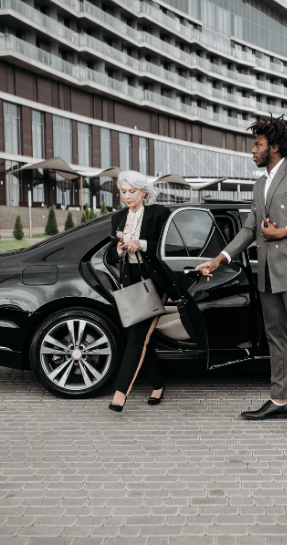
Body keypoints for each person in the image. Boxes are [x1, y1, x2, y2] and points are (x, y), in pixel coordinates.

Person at [196, 114, 287, 435]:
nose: (252, 150)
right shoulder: (260, 184)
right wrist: (219, 259)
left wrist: (283, 231)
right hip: (268, 272)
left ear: (273, 147)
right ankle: (280, 401)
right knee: (277, 338)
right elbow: (249, 230)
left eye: (257, 145)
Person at [107, 171, 171, 412]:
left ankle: (120, 393)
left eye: (132, 191)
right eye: (123, 192)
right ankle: (158, 384)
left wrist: (140, 244)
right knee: (143, 336)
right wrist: (120, 249)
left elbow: (166, 247)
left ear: (143, 192)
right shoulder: (118, 218)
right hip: (130, 281)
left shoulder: (159, 213)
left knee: (138, 335)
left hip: (154, 280)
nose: (127, 196)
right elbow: (110, 254)